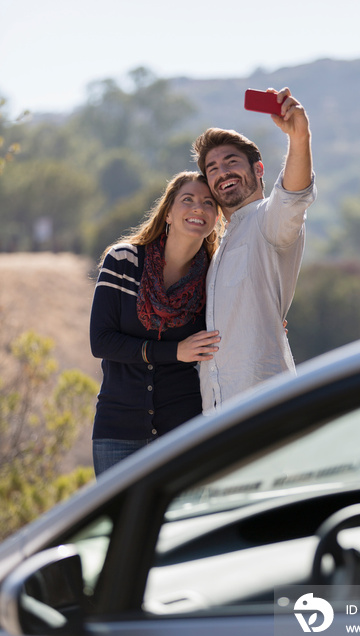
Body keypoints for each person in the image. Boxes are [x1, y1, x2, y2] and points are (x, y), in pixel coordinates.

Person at [192, 86, 317, 412]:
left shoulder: (268, 221)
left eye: (231, 161)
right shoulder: (221, 245)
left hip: (263, 409)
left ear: (258, 170)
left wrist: (300, 137)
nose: (222, 172)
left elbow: (293, 197)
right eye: (213, 169)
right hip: (216, 411)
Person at [90, 171, 222, 476]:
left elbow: (237, 322)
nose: (198, 208)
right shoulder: (123, 261)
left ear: (216, 217)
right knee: (123, 524)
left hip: (183, 431)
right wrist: (175, 351)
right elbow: (102, 341)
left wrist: (267, 319)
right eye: (187, 200)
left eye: (208, 203)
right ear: (168, 213)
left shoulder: (214, 278)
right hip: (117, 430)